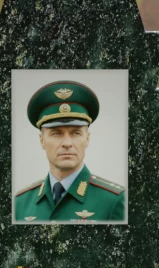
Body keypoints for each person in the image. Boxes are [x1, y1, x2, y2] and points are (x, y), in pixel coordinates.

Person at [14, 80, 126, 223]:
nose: (67, 143)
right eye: (56, 133)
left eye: (76, 133)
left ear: (87, 139)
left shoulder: (113, 201)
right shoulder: (20, 204)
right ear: (42, 140)